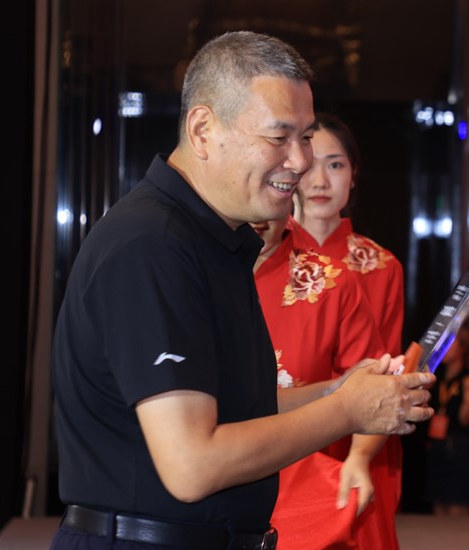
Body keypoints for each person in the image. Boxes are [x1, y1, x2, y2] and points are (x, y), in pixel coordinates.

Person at [49, 31, 436, 550]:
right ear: (203, 130)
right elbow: (193, 464)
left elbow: (229, 405)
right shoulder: (152, 245)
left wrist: (336, 390)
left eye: (305, 137)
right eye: (279, 137)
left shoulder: (211, 240)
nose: (301, 161)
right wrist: (347, 412)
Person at [290, 112, 405, 548]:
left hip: (364, 439)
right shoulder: (260, 255)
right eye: (310, 163)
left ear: (354, 175)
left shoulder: (382, 265)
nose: (320, 180)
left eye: (335, 165)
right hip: (284, 434)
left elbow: (387, 370)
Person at [252, 215, 388, 548]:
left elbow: (370, 382)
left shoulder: (331, 279)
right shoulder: (186, 268)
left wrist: (360, 455)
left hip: (305, 469)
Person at [423, 326, 469, 516]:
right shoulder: (435, 377)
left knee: (458, 515)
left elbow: (466, 420)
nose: (442, 349)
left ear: (463, 348)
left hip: (459, 451)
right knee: (437, 510)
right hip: (436, 448)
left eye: (448, 344)